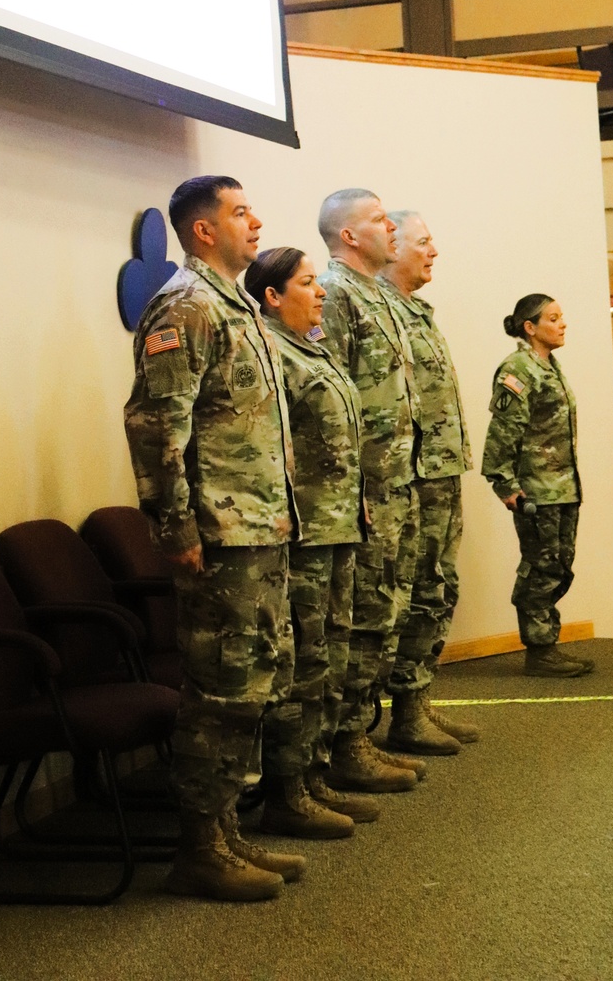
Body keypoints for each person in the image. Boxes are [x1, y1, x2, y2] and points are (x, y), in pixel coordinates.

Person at [125, 175, 314, 903]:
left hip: (260, 527)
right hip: (219, 535)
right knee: (219, 691)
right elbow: (157, 425)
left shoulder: (236, 306)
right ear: (203, 230)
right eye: (240, 212)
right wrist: (175, 527)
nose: (256, 221)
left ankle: (227, 830)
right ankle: (199, 847)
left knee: (254, 685)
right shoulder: (188, 306)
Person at [244, 247, 380, 832]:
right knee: (299, 661)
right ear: (273, 296)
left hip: (336, 525)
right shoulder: (271, 354)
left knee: (329, 655)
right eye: (306, 283)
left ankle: (316, 774)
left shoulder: (314, 349)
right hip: (301, 533)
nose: (320, 290)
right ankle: (286, 790)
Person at [315, 187, 423, 794]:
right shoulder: (335, 297)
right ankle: (347, 743)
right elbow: (333, 400)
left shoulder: (379, 297)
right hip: (363, 493)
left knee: (386, 614)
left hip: (397, 482)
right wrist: (353, 489)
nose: (392, 228)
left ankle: (361, 734)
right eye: (380, 219)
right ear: (350, 235)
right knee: (359, 620)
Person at [379, 212, 480, 754]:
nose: (434, 250)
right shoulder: (374, 311)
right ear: (391, 246)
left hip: (440, 470)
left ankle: (416, 702)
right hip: (409, 478)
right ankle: (402, 715)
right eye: (423, 242)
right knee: (410, 594)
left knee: (438, 588)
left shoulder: (415, 311)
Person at [482, 293, 593, 678]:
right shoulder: (518, 369)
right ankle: (540, 649)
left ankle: (547, 643)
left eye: (562, 317)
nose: (562, 324)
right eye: (553, 318)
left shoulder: (550, 366)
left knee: (560, 566)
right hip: (536, 490)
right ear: (530, 327)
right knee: (540, 566)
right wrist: (505, 483)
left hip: (564, 487)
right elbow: (503, 431)